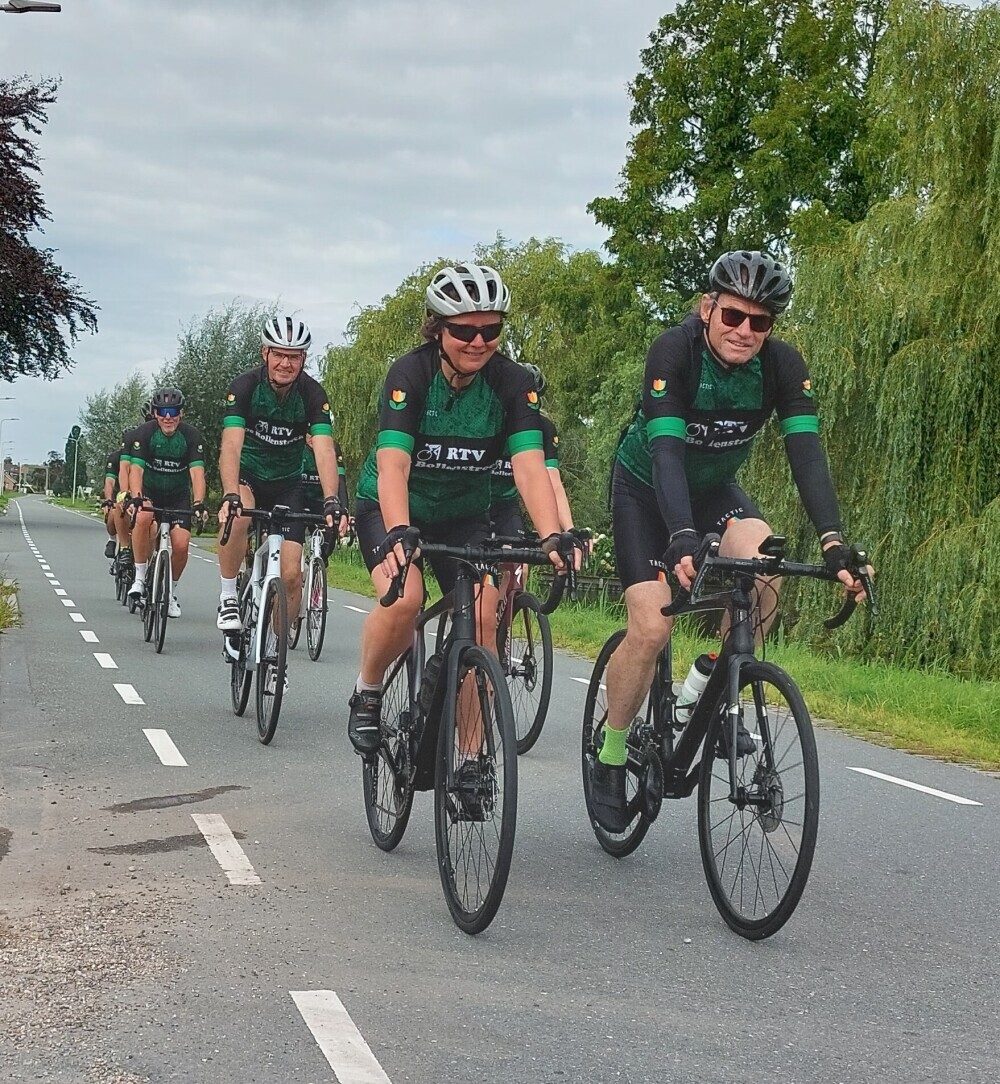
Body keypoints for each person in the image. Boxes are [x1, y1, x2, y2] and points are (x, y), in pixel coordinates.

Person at [593, 250, 871, 832]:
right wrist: (682, 536)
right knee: (650, 626)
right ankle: (612, 754)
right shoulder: (675, 352)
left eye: (760, 321)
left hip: (716, 487)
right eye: (733, 317)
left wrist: (833, 542)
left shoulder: (781, 367)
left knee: (765, 563)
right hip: (645, 491)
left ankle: (708, 684)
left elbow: (807, 457)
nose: (745, 330)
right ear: (707, 309)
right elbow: (667, 451)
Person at [347, 263, 576, 768]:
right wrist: (400, 534)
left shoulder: (512, 383)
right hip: (393, 504)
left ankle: (471, 757)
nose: (478, 341)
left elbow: (529, 468)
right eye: (464, 330)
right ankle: (367, 692)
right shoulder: (411, 374)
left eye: (490, 330)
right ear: (438, 328)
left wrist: (553, 536)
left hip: (463, 512)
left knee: (485, 614)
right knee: (405, 600)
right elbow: (394, 463)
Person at [215, 316, 341, 643]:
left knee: (291, 576)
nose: (286, 363)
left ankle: (276, 658)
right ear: (265, 353)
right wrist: (229, 493)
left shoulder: (313, 394)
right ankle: (229, 596)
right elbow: (230, 444)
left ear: (303, 359)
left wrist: (331, 499)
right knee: (239, 513)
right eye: (279, 354)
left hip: (288, 482)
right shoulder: (244, 387)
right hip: (249, 475)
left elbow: (325, 449)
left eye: (294, 356)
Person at [126, 388, 208, 618]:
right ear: (155, 413)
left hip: (177, 496)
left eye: (173, 411)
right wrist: (136, 496)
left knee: (181, 544)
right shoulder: (144, 433)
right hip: (150, 492)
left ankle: (170, 591)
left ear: (181, 413)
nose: (168, 417)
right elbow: (136, 469)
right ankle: (140, 578)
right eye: (162, 411)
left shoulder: (191, 436)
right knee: (142, 516)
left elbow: (197, 473)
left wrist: (199, 503)